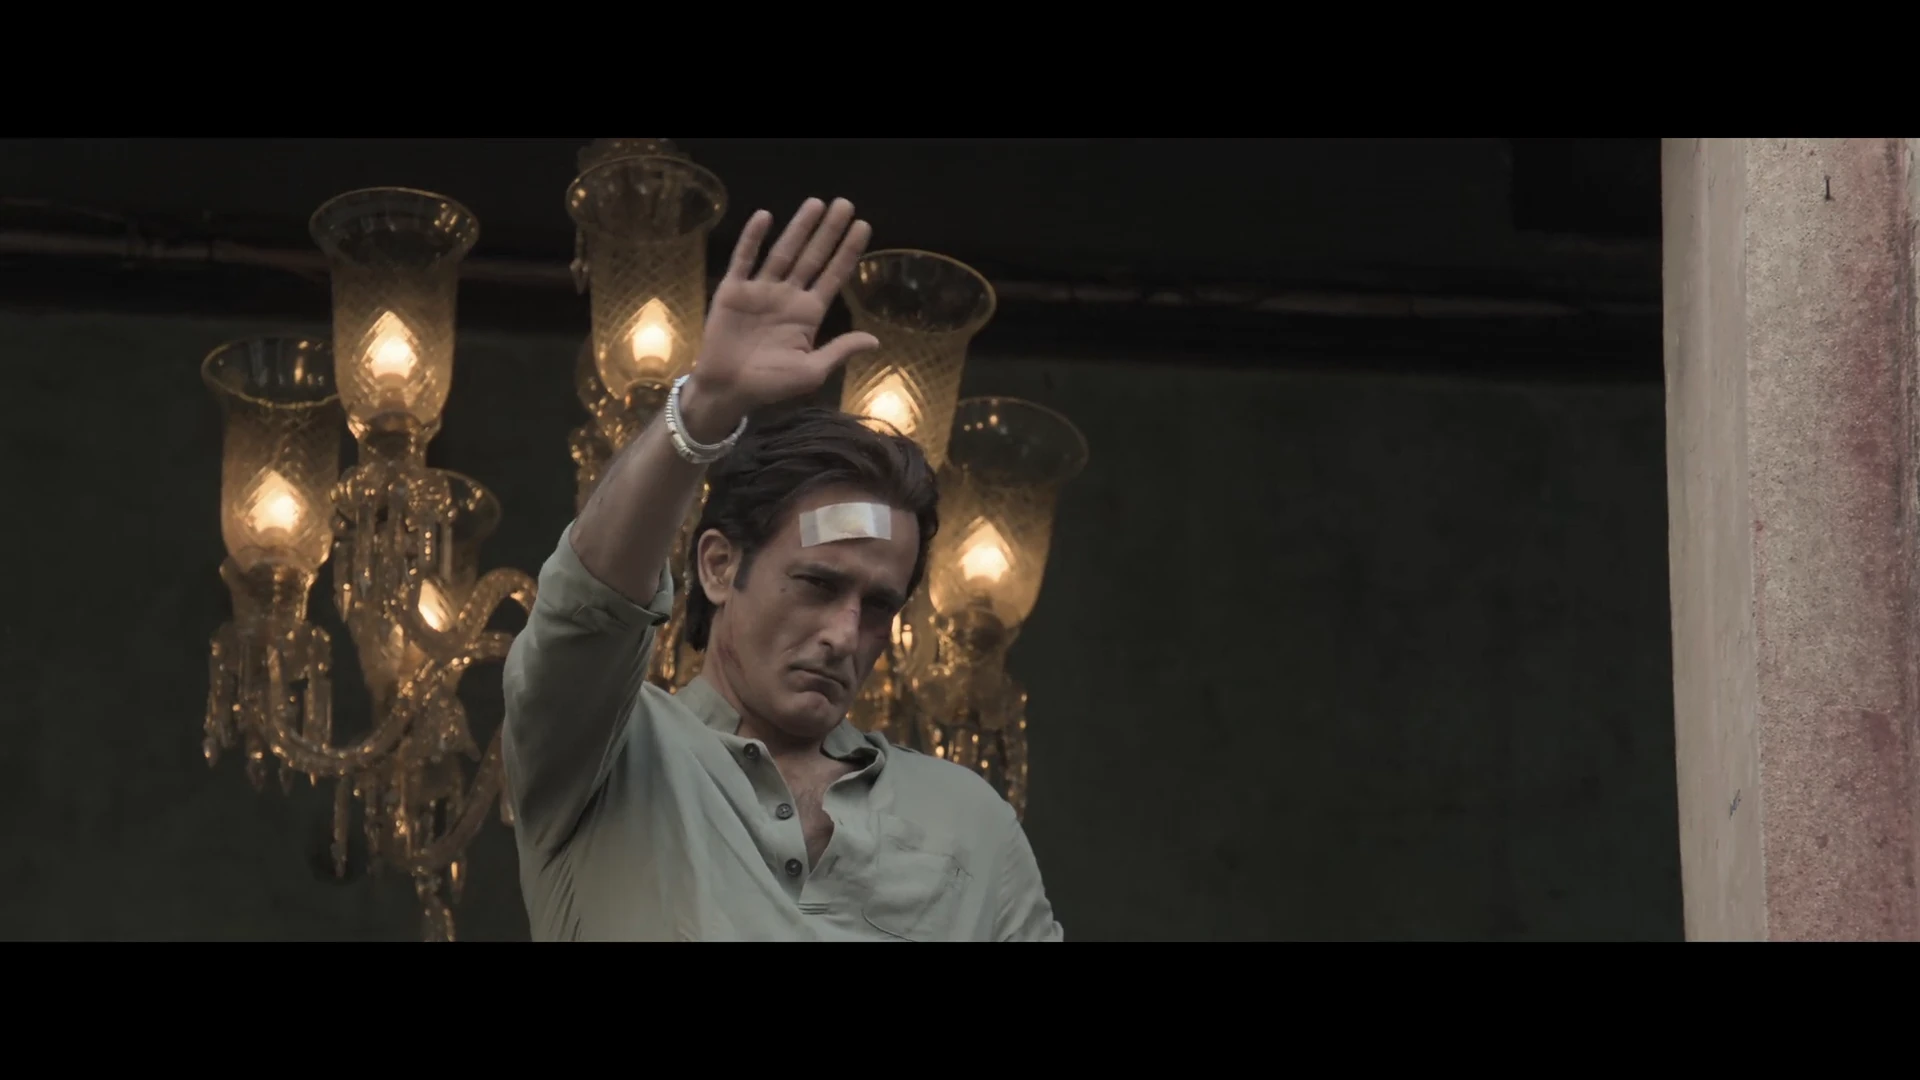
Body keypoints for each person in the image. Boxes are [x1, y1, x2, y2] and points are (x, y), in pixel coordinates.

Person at [501, 196, 1064, 941]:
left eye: (878, 605)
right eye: (818, 584)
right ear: (719, 566)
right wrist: (704, 408)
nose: (844, 634)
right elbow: (588, 607)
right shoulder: (603, 754)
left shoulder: (971, 823)